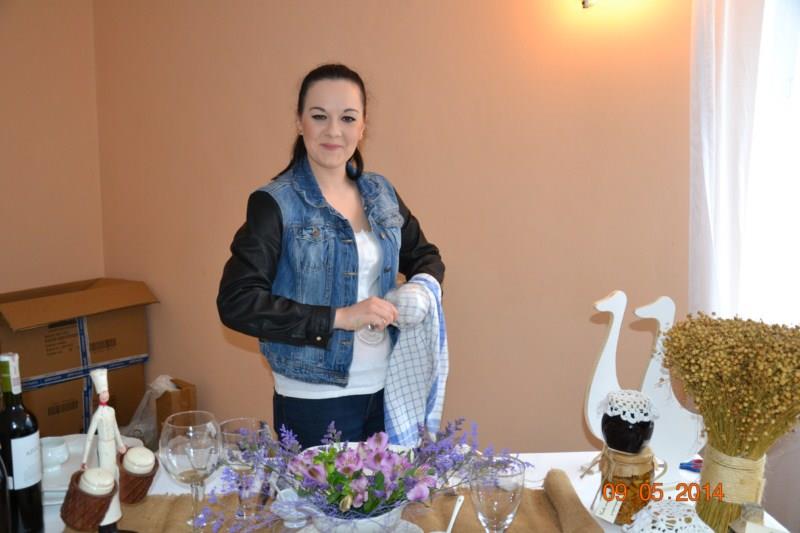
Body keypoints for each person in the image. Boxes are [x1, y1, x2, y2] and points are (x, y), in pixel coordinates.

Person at [217, 63, 444, 448]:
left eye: (348, 118)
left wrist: (420, 290)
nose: (333, 131)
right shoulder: (276, 203)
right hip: (314, 399)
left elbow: (426, 256)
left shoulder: (381, 193)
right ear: (299, 121)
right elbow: (237, 302)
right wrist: (340, 317)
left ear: (363, 126)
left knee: (390, 489)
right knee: (320, 493)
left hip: (389, 390)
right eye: (319, 116)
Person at [81, 368, 127, 532]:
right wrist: (84, 459)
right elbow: (89, 437)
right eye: (103, 393)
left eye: (107, 392)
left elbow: (116, 429)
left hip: (112, 446)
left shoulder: (111, 411)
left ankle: (113, 517)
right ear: (99, 395)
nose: (105, 395)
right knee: (106, 482)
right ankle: (105, 519)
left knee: (115, 477)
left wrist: (120, 444)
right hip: (103, 447)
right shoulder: (98, 415)